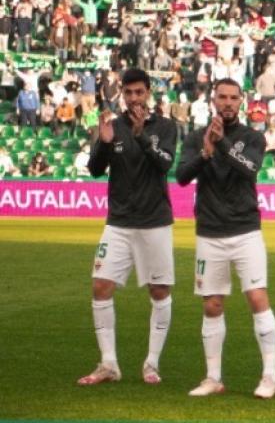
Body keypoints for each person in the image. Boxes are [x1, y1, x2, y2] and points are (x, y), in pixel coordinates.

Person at [175, 78, 275, 399]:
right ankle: (213, 377)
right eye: (223, 97)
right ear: (213, 100)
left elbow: (249, 169)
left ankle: (269, 375)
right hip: (210, 230)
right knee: (212, 304)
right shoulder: (195, 137)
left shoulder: (253, 137)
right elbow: (181, 177)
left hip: (245, 229)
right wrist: (205, 153)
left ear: (242, 102)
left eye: (234, 98)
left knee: (257, 298)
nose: (228, 103)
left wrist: (218, 146)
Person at [78, 68, 177, 387]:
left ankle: (151, 362)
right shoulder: (113, 126)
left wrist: (141, 136)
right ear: (122, 93)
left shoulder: (166, 126)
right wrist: (104, 143)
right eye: (128, 92)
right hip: (119, 223)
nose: (134, 98)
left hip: (154, 223)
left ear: (148, 93)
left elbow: (164, 164)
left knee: (159, 291)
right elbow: (94, 170)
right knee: (100, 286)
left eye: (139, 92)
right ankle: (109, 363)